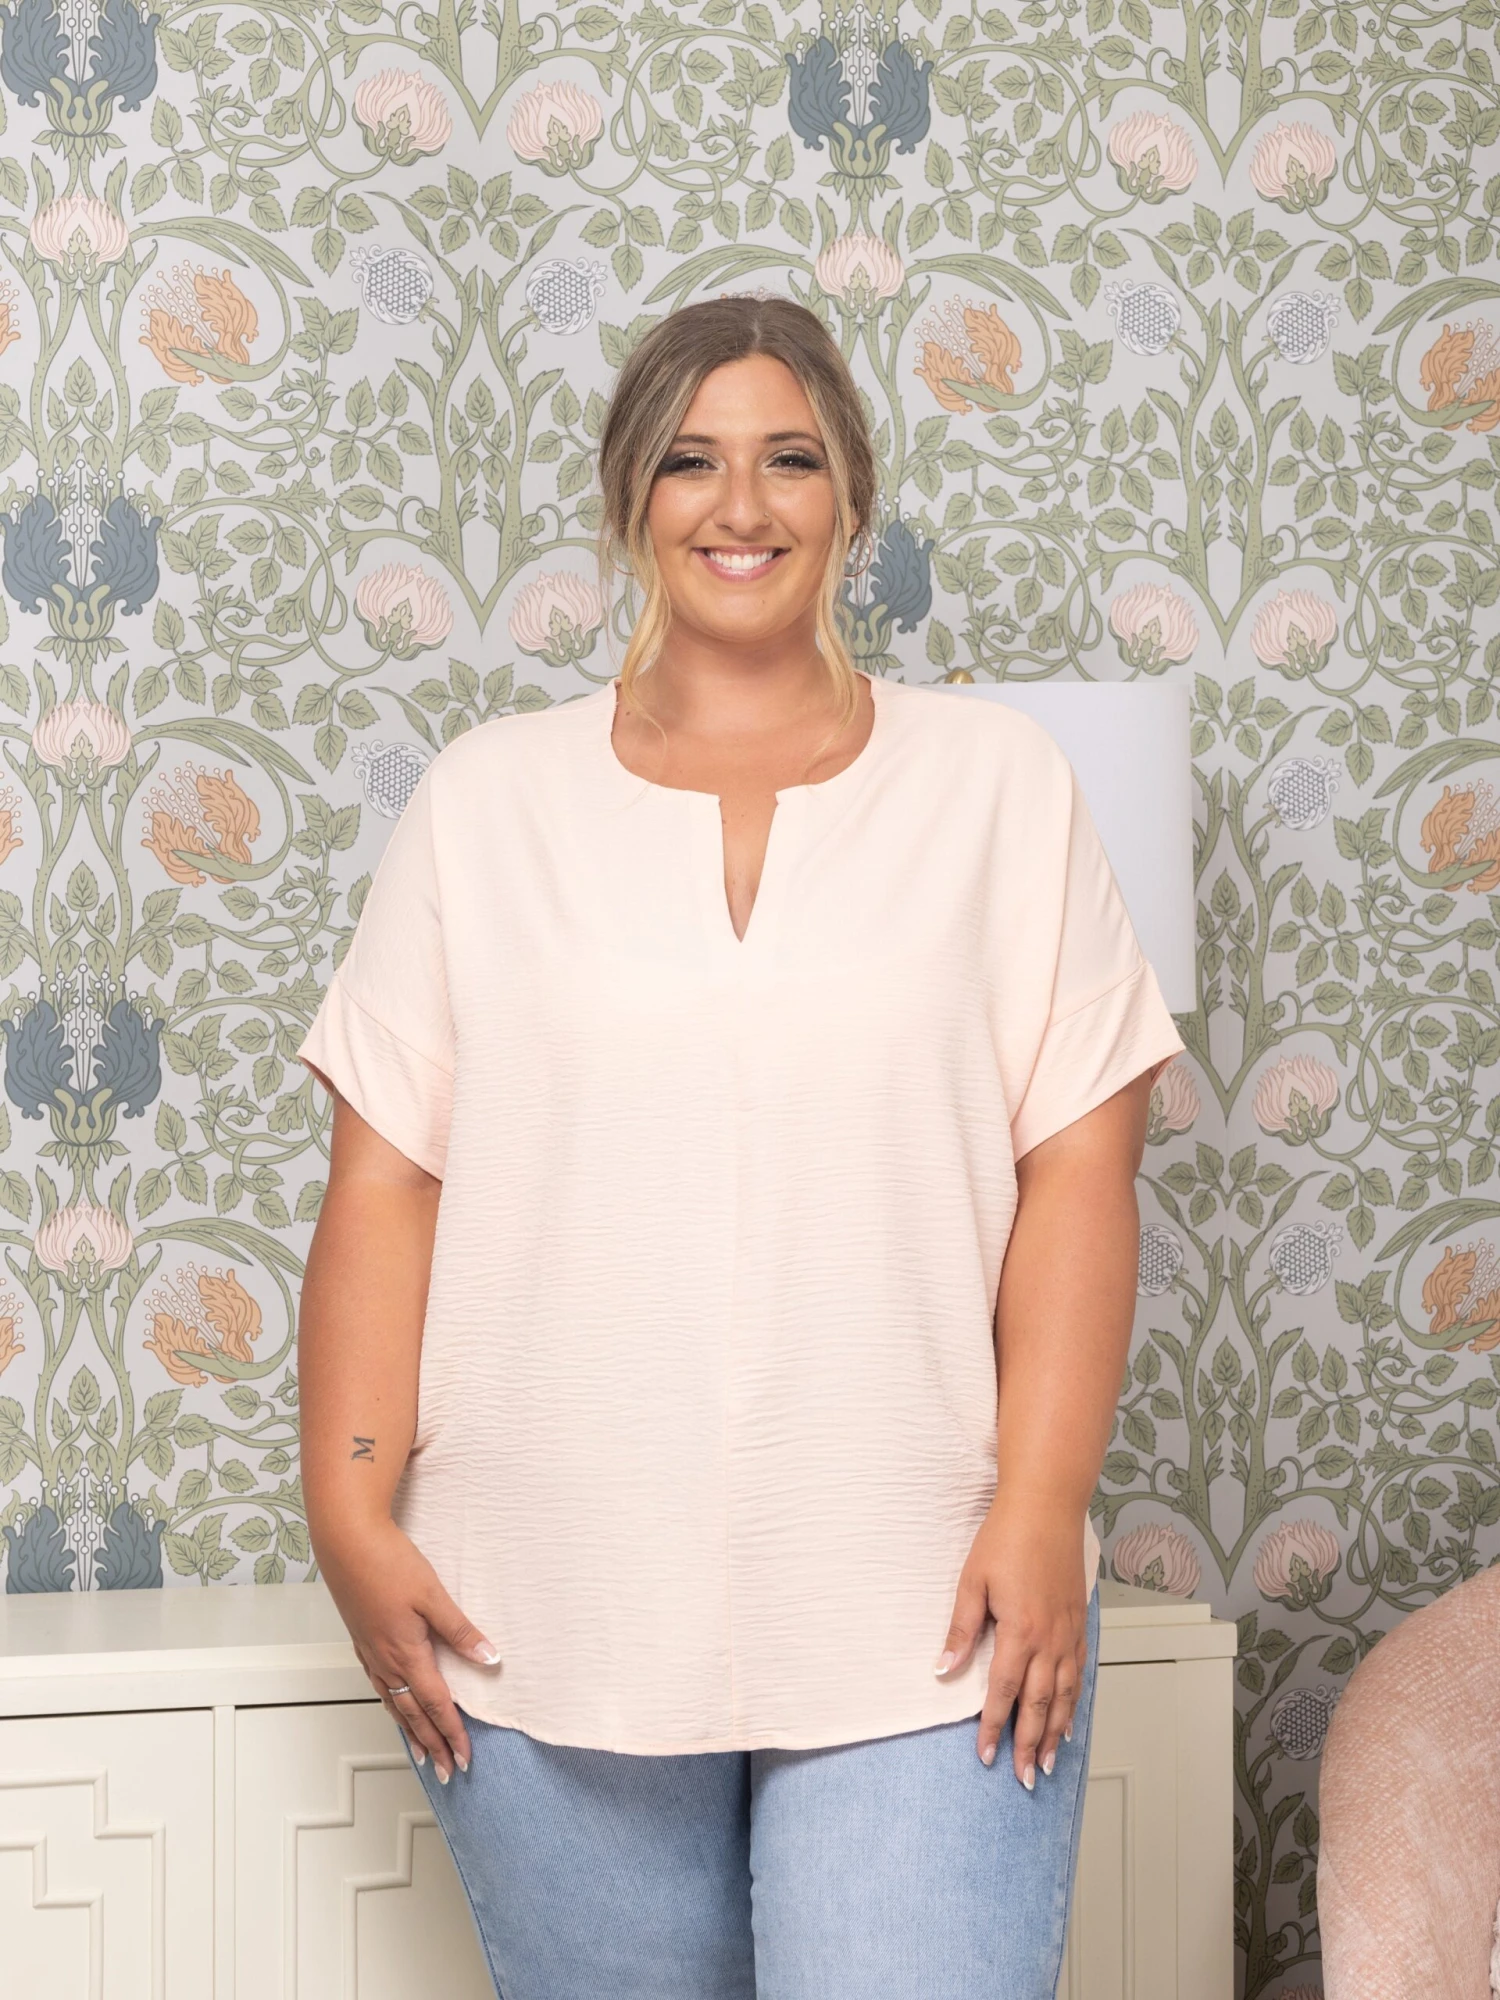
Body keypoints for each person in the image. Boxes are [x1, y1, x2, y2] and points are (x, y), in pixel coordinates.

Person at [295, 295, 1186, 2000]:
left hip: (931, 1603)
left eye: (791, 459)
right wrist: (347, 1507)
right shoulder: (487, 803)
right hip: (538, 1611)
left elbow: (1081, 1170)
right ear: (632, 495)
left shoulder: (1000, 786)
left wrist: (1043, 1500)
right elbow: (386, 1183)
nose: (743, 505)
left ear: (852, 496)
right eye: (692, 462)